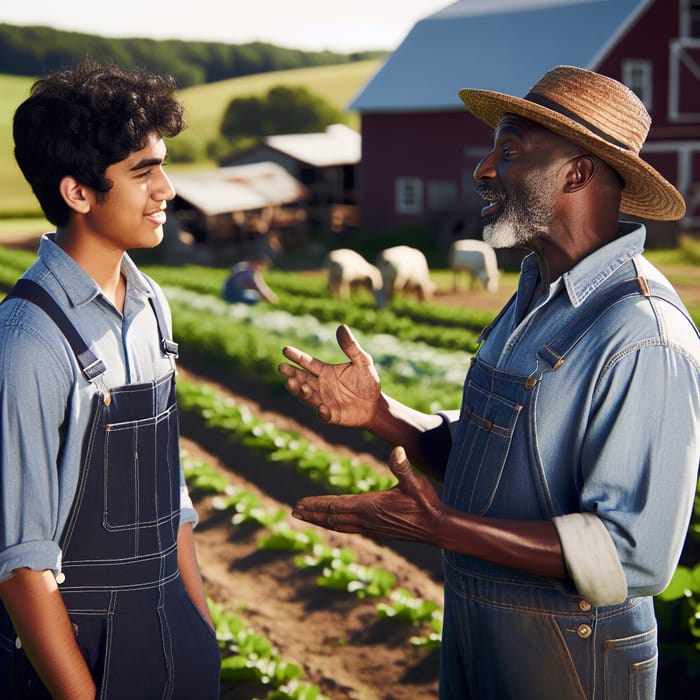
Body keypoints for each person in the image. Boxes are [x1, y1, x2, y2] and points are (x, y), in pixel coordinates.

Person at [278, 65, 700, 699]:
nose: (483, 170)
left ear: (577, 173)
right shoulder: (531, 295)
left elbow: (631, 553)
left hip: (572, 650)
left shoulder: (642, 332)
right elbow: (492, 460)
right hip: (481, 622)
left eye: (509, 151)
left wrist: (443, 528)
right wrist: (381, 414)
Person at [0, 60, 221, 699]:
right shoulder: (27, 340)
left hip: (173, 636)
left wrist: (197, 631)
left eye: (163, 165)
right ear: (77, 192)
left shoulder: (152, 305)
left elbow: (171, 502)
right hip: (79, 652)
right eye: (143, 171)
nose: (168, 189)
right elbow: (22, 563)